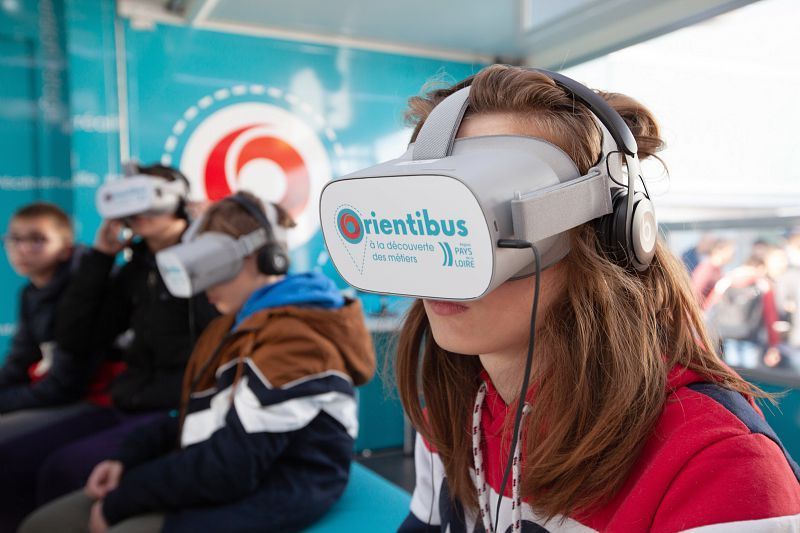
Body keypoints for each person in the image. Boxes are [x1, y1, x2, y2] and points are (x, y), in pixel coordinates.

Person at [386, 66, 799, 532]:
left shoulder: (720, 468)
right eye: (434, 215)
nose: (445, 257)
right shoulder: (456, 410)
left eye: (488, 215)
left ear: (610, 234)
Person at [21, 192, 376, 533]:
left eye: (211, 265)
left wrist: (124, 499)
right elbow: (198, 415)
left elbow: (233, 466)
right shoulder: (232, 323)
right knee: (43, 525)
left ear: (264, 257)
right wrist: (128, 457)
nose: (201, 282)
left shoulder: (298, 341)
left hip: (270, 494)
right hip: (216, 478)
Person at [4, 164, 218, 522]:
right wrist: (102, 257)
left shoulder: (211, 261)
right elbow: (76, 336)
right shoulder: (136, 269)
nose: (139, 210)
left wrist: (200, 241)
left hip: (175, 408)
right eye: (129, 199)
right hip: (128, 401)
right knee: (12, 458)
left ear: (178, 202)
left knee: (66, 468)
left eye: (149, 198)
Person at [0, 203, 121, 530]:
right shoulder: (30, 292)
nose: (23, 248)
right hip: (57, 394)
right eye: (15, 239)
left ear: (66, 248)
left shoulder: (83, 289)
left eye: (37, 239)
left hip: (96, 399)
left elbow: (66, 385)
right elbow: (18, 362)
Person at [705, 246, 787, 368]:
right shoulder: (763, 284)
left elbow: (709, 307)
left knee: (731, 370)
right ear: (762, 267)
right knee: (749, 373)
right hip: (751, 336)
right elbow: (770, 316)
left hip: (726, 332)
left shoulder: (727, 279)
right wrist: (773, 344)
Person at [690, 237, 735, 307]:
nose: (732, 255)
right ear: (718, 250)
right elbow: (695, 294)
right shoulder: (706, 269)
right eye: (729, 251)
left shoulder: (717, 269)